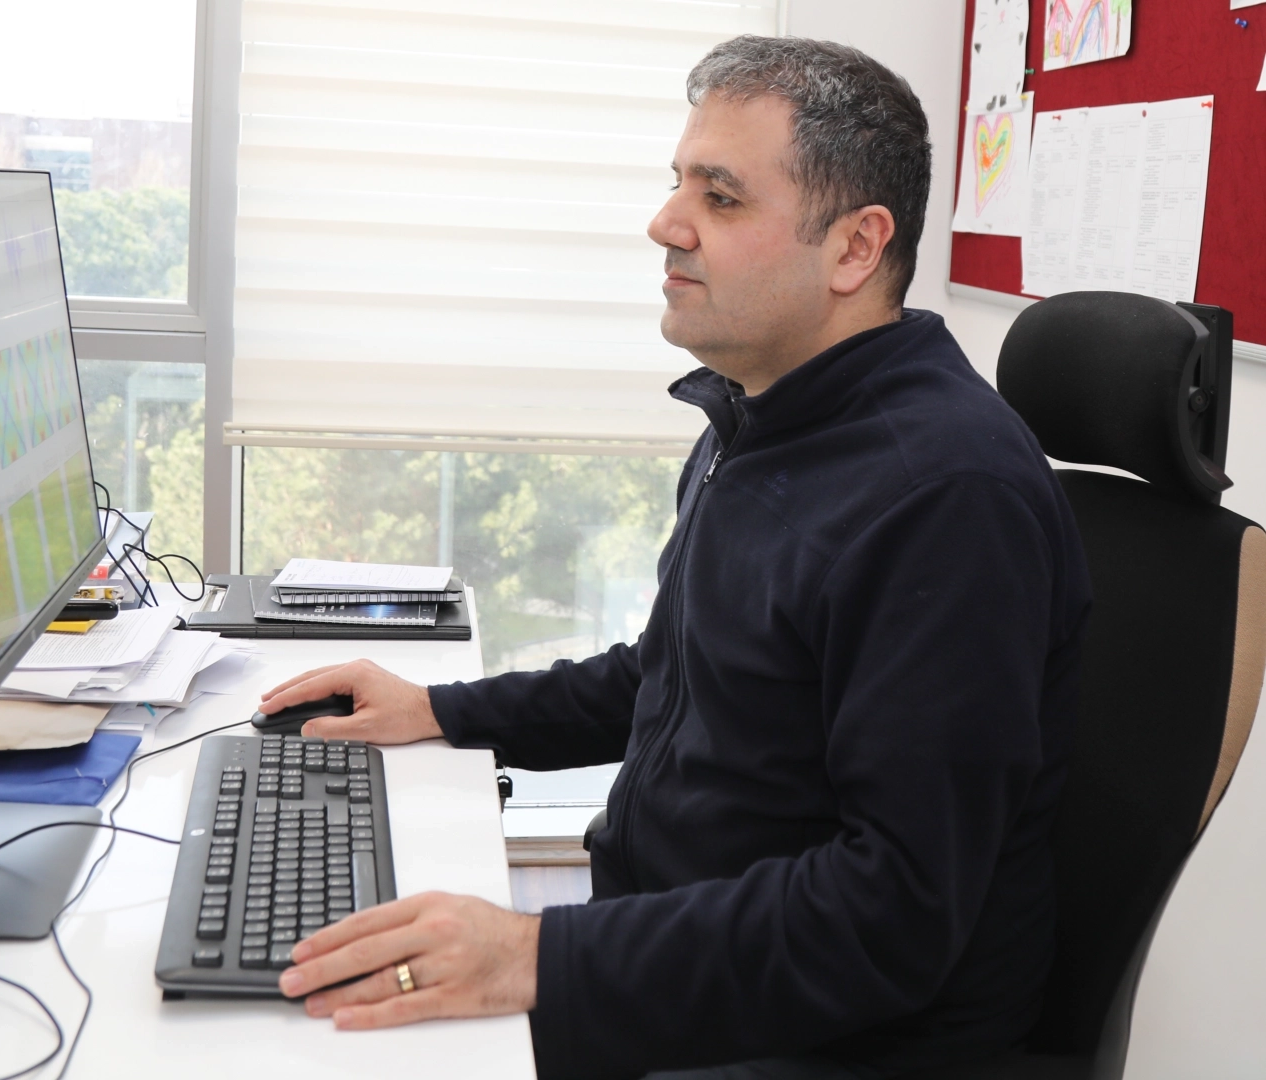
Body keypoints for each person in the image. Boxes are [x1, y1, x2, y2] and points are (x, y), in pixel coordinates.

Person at [260, 35, 1092, 1080]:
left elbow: (893, 915)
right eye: (677, 183)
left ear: (854, 248)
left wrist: (533, 955)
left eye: (721, 196)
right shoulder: (766, 415)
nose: (665, 223)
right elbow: (674, 674)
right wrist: (443, 711)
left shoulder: (945, 497)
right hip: (684, 950)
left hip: (823, 1040)